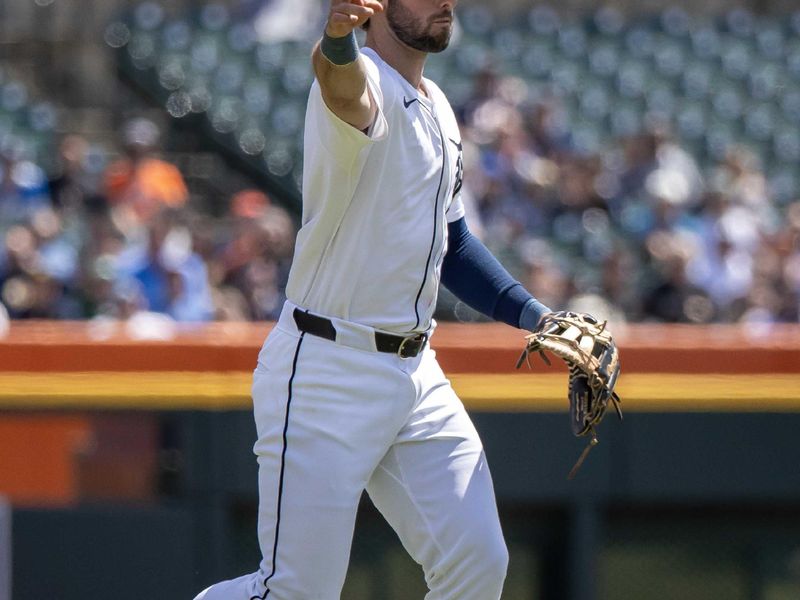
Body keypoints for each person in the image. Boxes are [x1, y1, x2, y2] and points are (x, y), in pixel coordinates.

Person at [194, 0, 550, 598]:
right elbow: (340, 82)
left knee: (478, 563)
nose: (444, 3)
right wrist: (336, 38)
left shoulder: (437, 103)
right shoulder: (363, 85)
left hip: (415, 372)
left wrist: (536, 315)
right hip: (326, 369)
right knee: (294, 593)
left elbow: (453, 244)